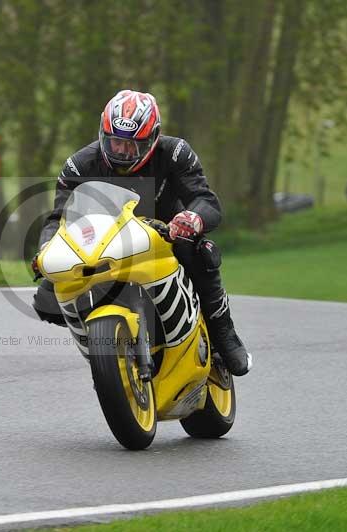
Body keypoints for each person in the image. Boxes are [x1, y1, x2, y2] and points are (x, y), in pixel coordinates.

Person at [31, 89, 251, 376]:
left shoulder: (175, 153)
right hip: (106, 243)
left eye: (132, 146)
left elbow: (207, 201)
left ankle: (224, 333)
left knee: (200, 252)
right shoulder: (79, 165)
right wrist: (46, 249)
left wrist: (192, 218)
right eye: (114, 143)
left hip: (167, 236)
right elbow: (60, 218)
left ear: (153, 137)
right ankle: (106, 352)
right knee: (46, 299)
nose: (122, 152)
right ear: (102, 133)